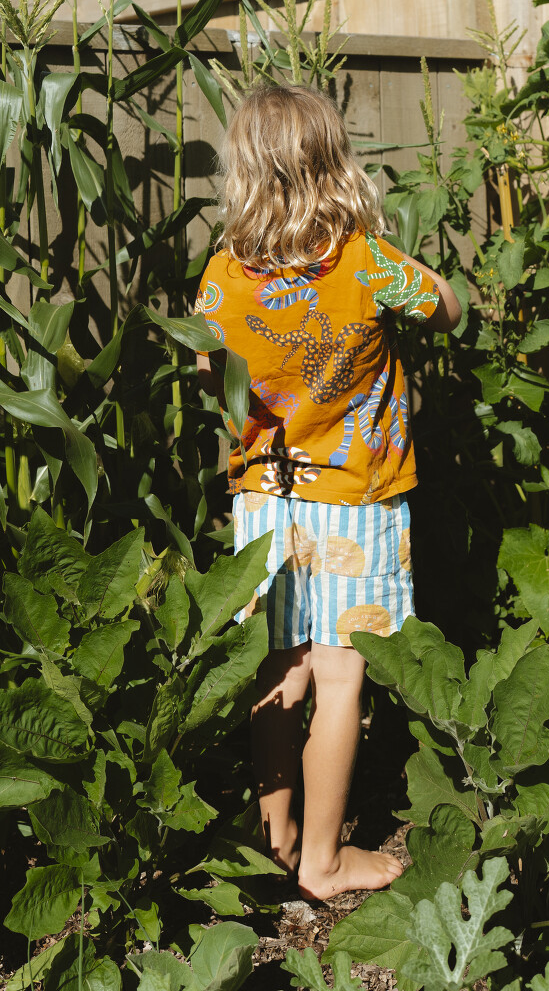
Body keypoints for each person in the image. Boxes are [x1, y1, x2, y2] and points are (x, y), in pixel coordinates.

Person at [194, 82, 462, 903]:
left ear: (243, 171)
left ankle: (274, 838)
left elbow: (206, 366)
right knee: (342, 675)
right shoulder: (363, 261)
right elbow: (449, 309)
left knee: (280, 665)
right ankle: (323, 860)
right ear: (333, 166)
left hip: (264, 497)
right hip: (357, 499)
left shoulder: (223, 275)